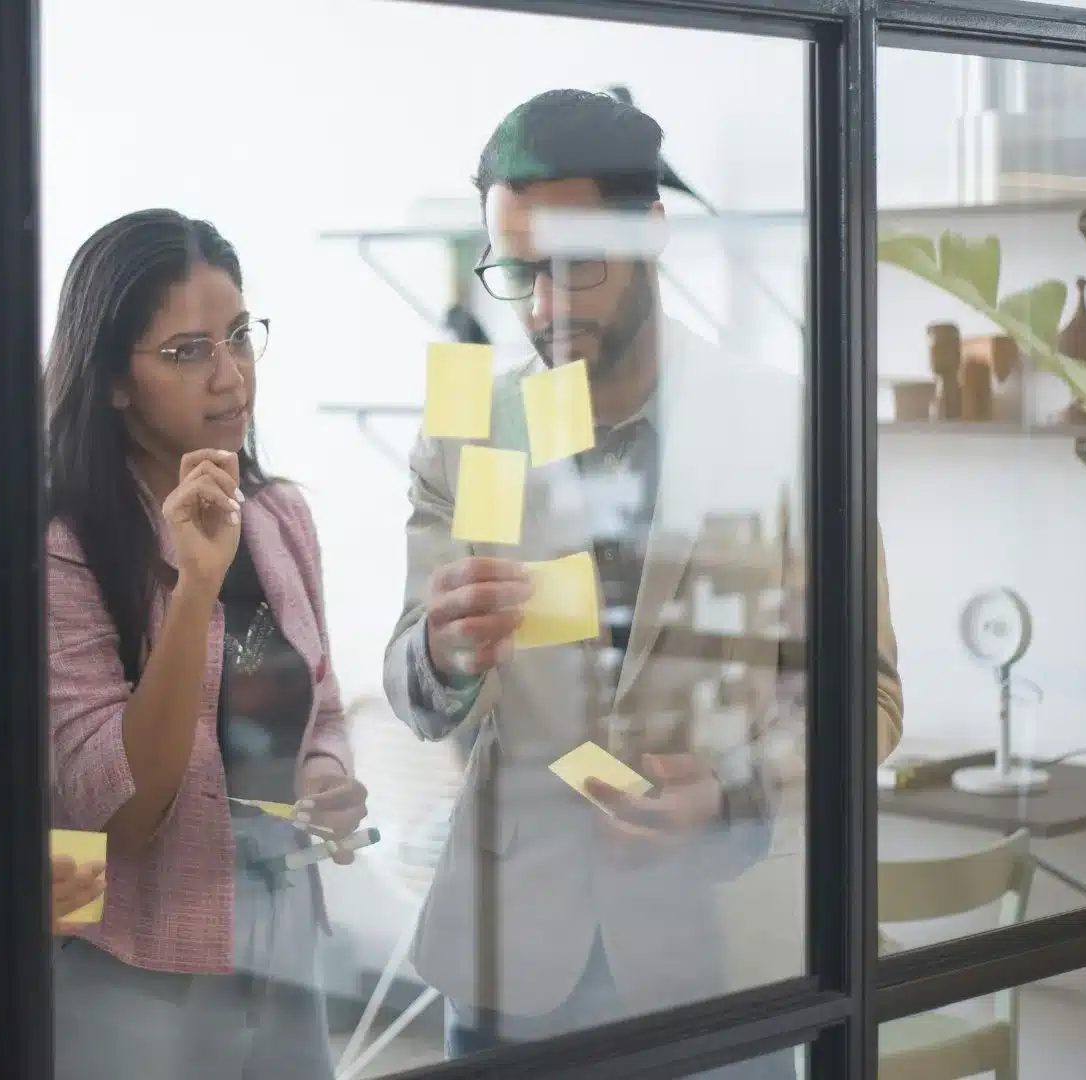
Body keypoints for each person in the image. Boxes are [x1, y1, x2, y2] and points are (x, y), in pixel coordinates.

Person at [381, 90, 906, 1071]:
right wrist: (443, 654)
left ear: (652, 234)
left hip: (718, 965)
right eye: (519, 270)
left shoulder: (788, 425)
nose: (544, 307)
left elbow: (865, 696)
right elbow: (414, 690)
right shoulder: (468, 428)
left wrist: (729, 790)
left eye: (577, 267)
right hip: (509, 964)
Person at [43, 209, 366, 1079]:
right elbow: (120, 812)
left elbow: (322, 705)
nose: (230, 379)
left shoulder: (280, 515)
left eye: (238, 338)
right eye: (187, 352)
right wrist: (193, 587)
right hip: (135, 959)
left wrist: (324, 778)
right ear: (113, 380)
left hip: (282, 935)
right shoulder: (61, 544)